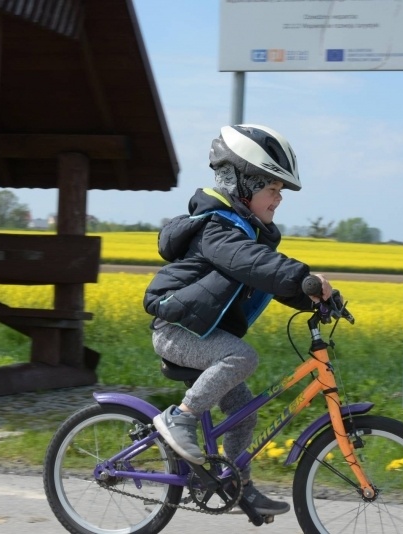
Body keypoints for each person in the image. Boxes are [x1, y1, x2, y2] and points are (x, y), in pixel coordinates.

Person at [142, 124, 334, 516]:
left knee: (244, 414)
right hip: (178, 332)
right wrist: (303, 275)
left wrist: (314, 298)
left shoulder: (245, 233)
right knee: (242, 357)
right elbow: (254, 263)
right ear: (242, 184)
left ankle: (236, 485)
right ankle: (180, 419)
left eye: (280, 191)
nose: (278, 199)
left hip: (203, 335)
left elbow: (269, 279)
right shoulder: (218, 228)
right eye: (272, 189)